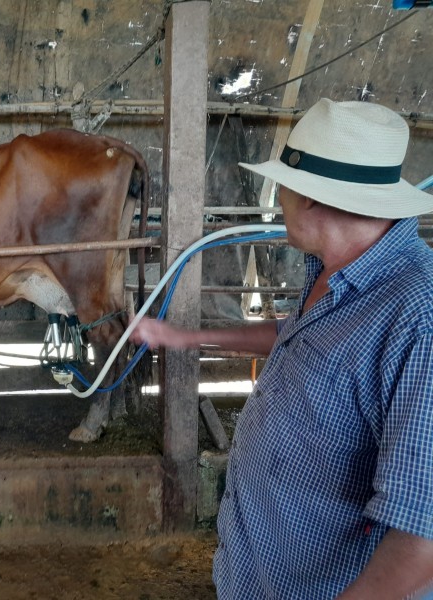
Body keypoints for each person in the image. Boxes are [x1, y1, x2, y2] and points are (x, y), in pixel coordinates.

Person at [131, 98, 433, 599]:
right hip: (265, 572)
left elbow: (422, 534)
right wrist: (186, 337)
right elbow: (295, 337)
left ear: (311, 198)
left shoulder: (419, 319)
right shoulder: (337, 269)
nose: (278, 202)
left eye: (282, 187)